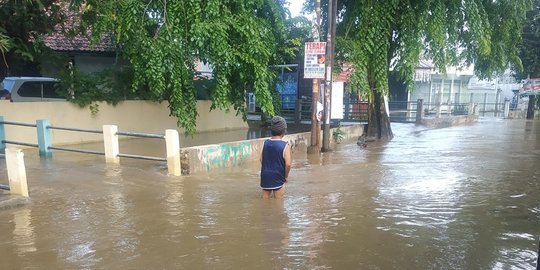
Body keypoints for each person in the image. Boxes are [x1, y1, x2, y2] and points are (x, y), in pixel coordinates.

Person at [260, 116, 292, 199]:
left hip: (265, 176)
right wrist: (286, 176)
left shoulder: (265, 143)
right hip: (278, 176)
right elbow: (288, 164)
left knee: (265, 199)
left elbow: (261, 159)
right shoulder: (285, 145)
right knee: (278, 202)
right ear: (284, 131)